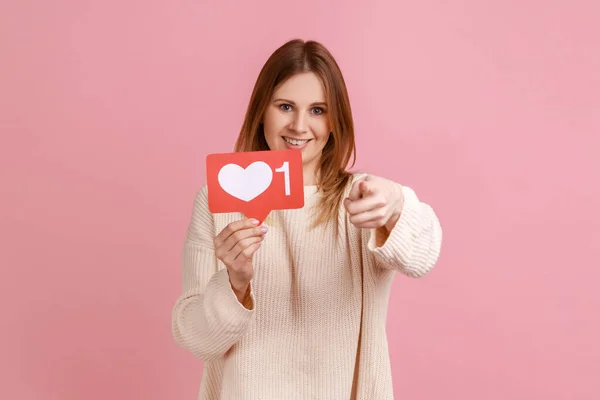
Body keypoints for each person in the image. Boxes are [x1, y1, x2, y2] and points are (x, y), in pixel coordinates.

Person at [171, 39, 443, 400]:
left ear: (336, 120)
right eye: (285, 106)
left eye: (317, 110)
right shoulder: (217, 201)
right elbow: (196, 338)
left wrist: (398, 203)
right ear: (261, 111)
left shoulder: (364, 199)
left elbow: (423, 256)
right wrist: (235, 283)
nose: (299, 126)